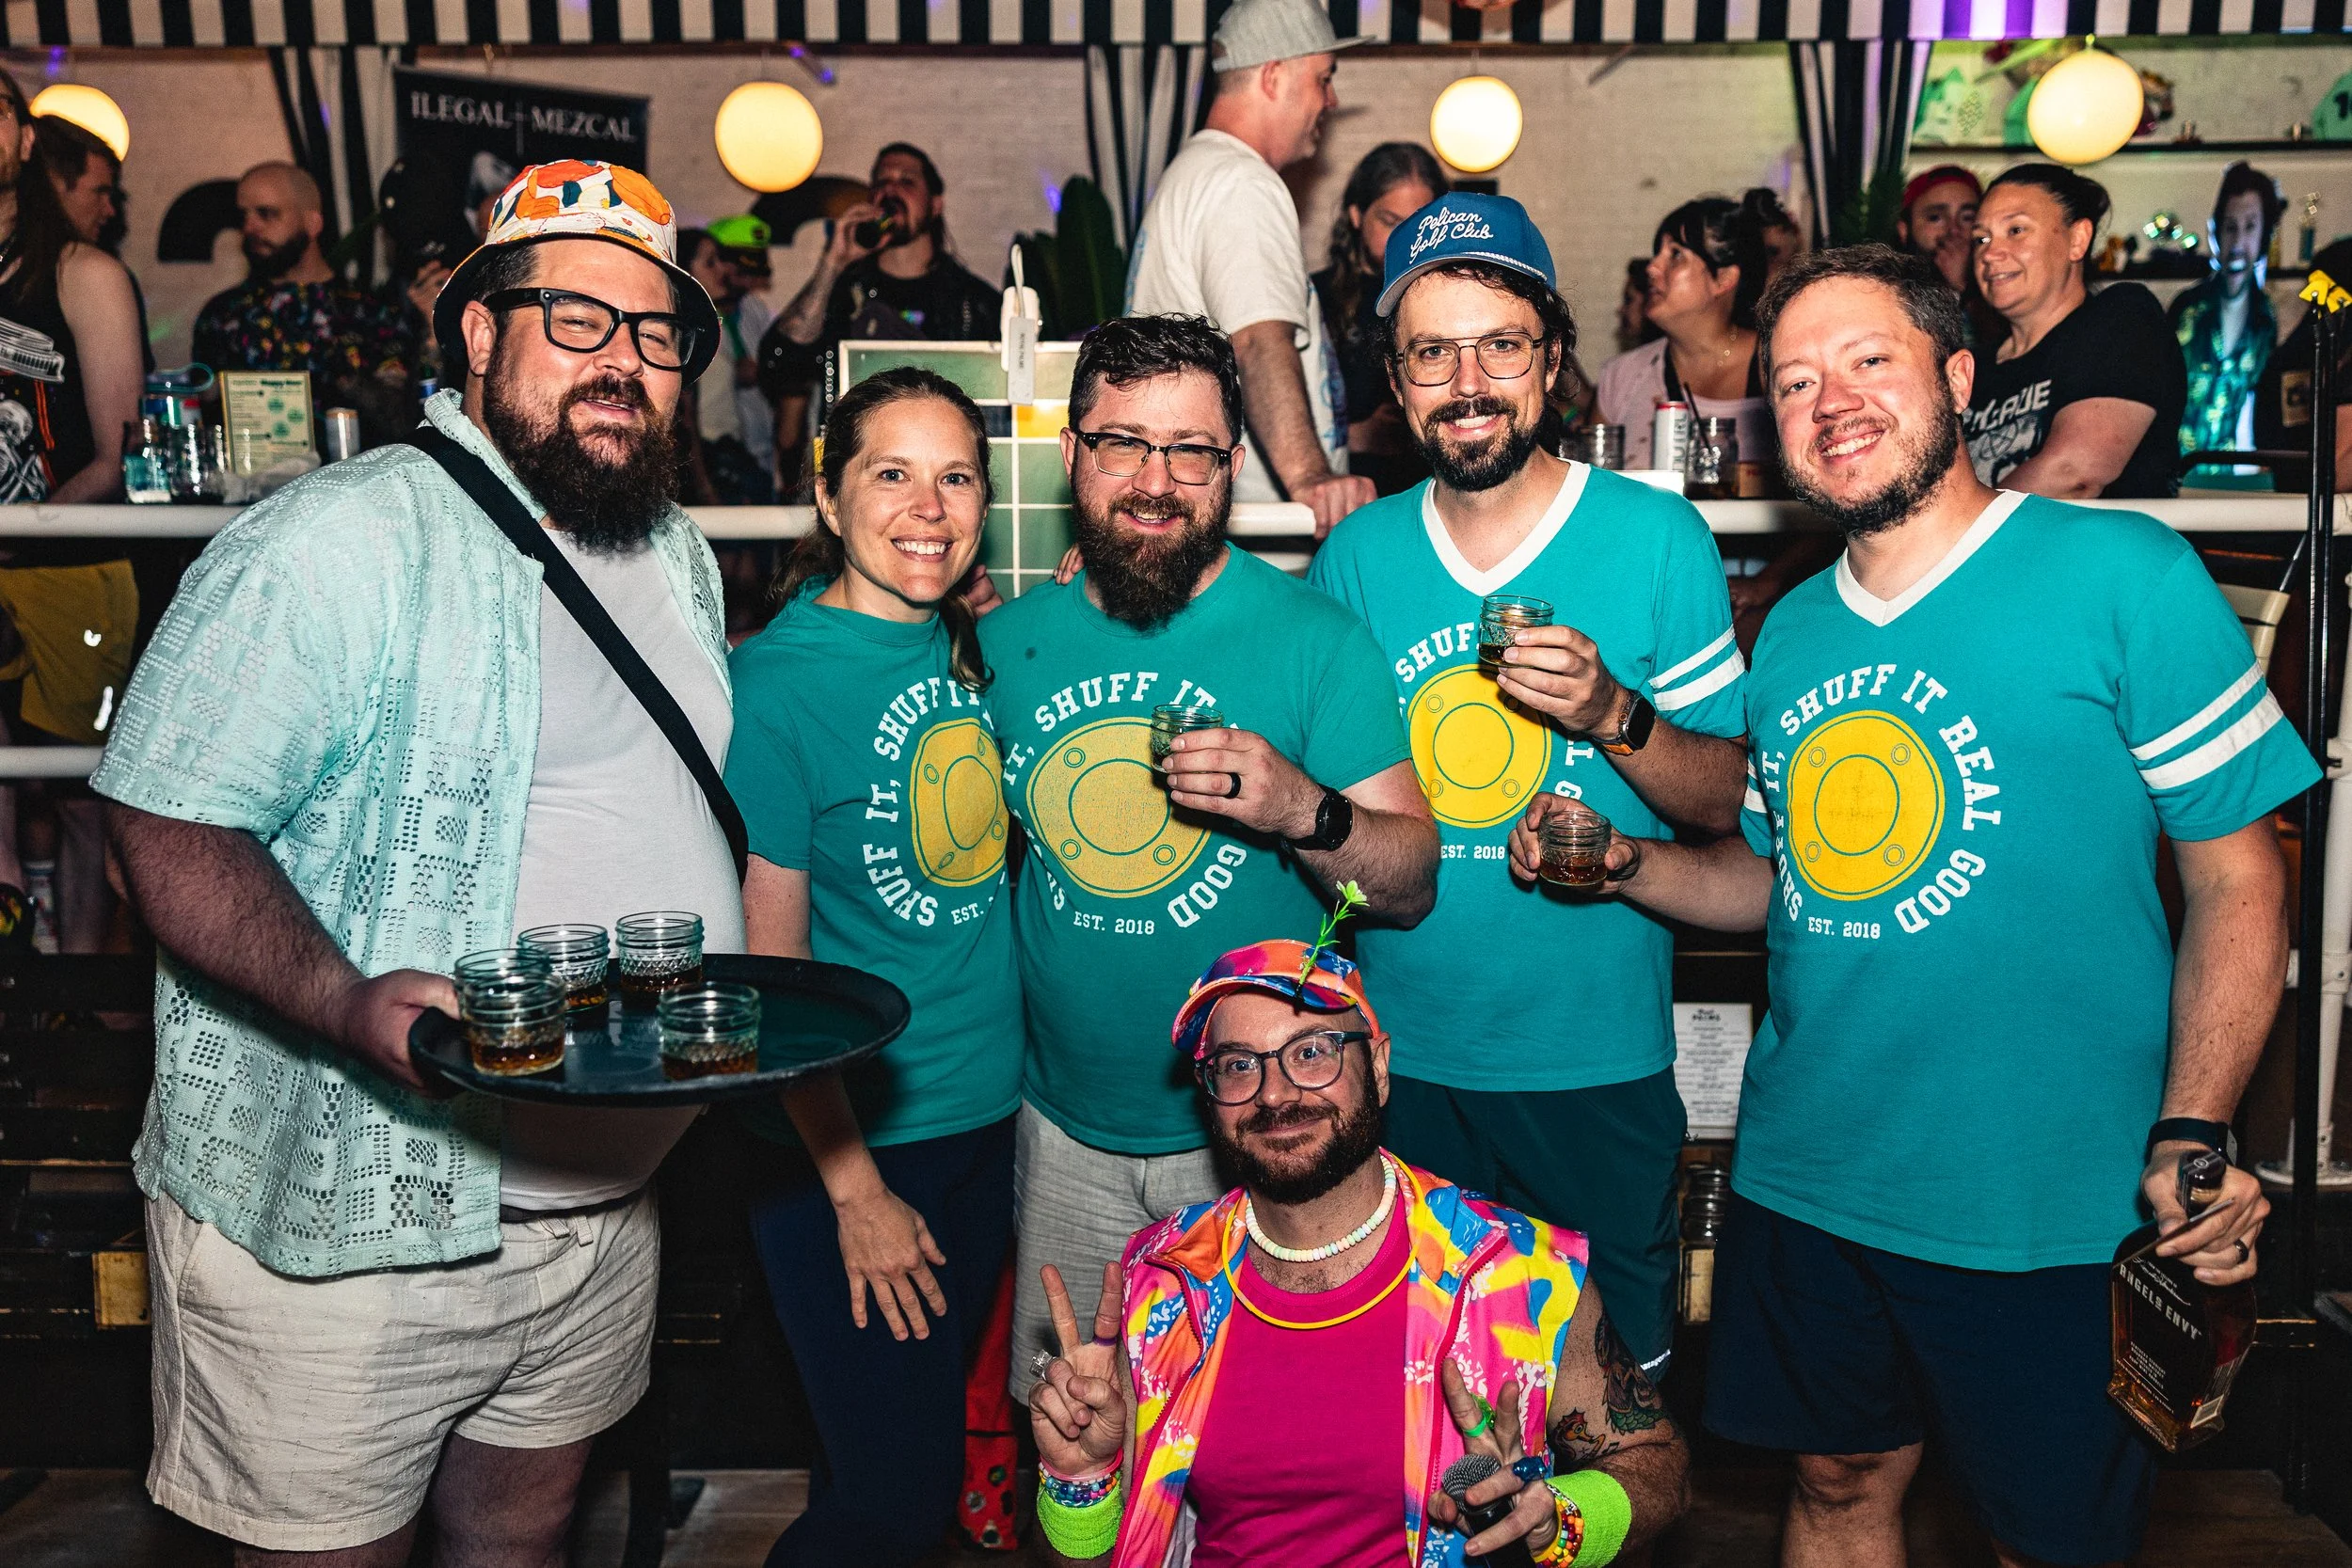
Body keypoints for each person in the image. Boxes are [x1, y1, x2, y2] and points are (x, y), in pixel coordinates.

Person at [1523, 242, 2310, 1568]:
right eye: (1792, 382)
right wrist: (1624, 862)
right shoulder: (1795, 631)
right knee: (1832, 1484)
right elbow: (1784, 882)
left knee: (2042, 1534)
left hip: (2048, 1194)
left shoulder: (2122, 574)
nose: (1830, 400)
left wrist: (2194, 1123)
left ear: (1957, 375)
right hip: (1812, 1171)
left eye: (1867, 361)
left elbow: (2242, 874)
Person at [93, 160, 740, 1562]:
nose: (622, 361)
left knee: (521, 1541)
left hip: (601, 1214)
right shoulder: (336, 541)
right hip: (351, 1233)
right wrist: (337, 998)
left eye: (653, 330)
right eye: (576, 319)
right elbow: (162, 821)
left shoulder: (677, 551)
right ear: (476, 332)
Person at [1310, 193, 1748, 1375]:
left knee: (1612, 1420)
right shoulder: (1355, 557)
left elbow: (1725, 805)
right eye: (1430, 352)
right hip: (1398, 1067)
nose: (1467, 381)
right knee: (1424, 1412)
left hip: (1595, 1062)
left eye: (1500, 345)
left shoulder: (1657, 539)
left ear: (1553, 362)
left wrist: (1612, 712)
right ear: (1395, 382)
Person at [978, 312, 1438, 1403]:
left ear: (1232, 462)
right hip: (1060, 1130)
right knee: (1077, 1447)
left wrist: (1299, 809)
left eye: (1190, 450)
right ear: (1071, 455)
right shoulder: (997, 650)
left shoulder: (1313, 638)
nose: (1155, 480)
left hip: (1264, 1133)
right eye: (1122, 442)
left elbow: (1412, 884)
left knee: (1262, 1447)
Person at [1025, 936, 1691, 1567]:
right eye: (1238, 1065)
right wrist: (1079, 1479)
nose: (1276, 1092)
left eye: (1312, 1051)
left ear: (1376, 1064)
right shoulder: (1166, 1280)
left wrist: (1560, 1520)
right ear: (1211, 1098)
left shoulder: (1512, 1268)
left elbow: (1658, 1462)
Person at [726, 366, 1020, 1567]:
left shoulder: (976, 654)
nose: (928, 507)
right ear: (829, 497)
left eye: (955, 476)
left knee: (883, 1466)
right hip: (845, 1147)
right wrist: (853, 1189)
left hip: (984, 1126)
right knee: (897, 1499)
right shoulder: (773, 686)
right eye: (890, 473)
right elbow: (769, 979)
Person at [1127, 0, 1374, 536]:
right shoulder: (1243, 183)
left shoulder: (1192, 174)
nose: (1330, 100)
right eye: (1324, 78)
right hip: (1259, 547)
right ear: (1273, 75)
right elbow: (1259, 342)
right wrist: (1310, 479)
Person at [0, 70, 145, 960]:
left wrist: (21, 530)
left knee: (89, 802)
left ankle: (84, 1006)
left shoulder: (80, 273)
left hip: (70, 566)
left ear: (24, 142)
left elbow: (119, 454)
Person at [1963, 163, 2185, 499]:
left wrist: (1952, 534)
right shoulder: (1970, 366)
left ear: (2078, 240)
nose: (1990, 253)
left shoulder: (2122, 319)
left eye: (2017, 230)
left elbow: (2073, 473)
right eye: (1981, 238)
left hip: (2098, 551)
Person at [755, 142, 1000, 430]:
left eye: (906, 181)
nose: (892, 190)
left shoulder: (972, 300)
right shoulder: (848, 291)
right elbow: (780, 361)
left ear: (935, 205)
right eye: (882, 182)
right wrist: (832, 264)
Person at [192, 161, 416, 447]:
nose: (250, 227)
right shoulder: (222, 315)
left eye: (266, 214)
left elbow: (403, 425)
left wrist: (339, 371)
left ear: (312, 223)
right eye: (244, 216)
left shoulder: (370, 313)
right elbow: (203, 418)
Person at [1596, 188, 1788, 475]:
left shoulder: (1776, 366)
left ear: (1723, 279)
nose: (1652, 267)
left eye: (1675, 255)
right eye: (1656, 254)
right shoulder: (1623, 376)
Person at [1311, 142, 1446, 497]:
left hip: (1435, 492)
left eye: (1420, 224)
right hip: (1349, 495)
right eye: (1390, 222)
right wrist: (1356, 435)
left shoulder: (1451, 296)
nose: (1407, 238)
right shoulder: (1314, 296)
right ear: (1356, 215)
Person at [2172, 161, 2284, 470]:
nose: (2237, 243)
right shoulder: (2185, 309)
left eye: (2250, 227)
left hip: (2238, 477)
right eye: (2230, 226)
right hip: (2176, 475)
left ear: (2264, 237)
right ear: (2216, 231)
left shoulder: (2271, 321)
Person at [680, 224, 772, 505]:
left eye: (721, 259)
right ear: (684, 271)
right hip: (708, 458)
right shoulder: (684, 331)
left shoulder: (713, 322)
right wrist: (704, 486)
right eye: (710, 262)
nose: (723, 269)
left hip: (730, 452)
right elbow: (685, 417)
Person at [711, 213, 780, 490]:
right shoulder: (697, 313)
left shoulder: (754, 309)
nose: (749, 278)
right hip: (719, 459)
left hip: (761, 454)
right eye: (742, 268)